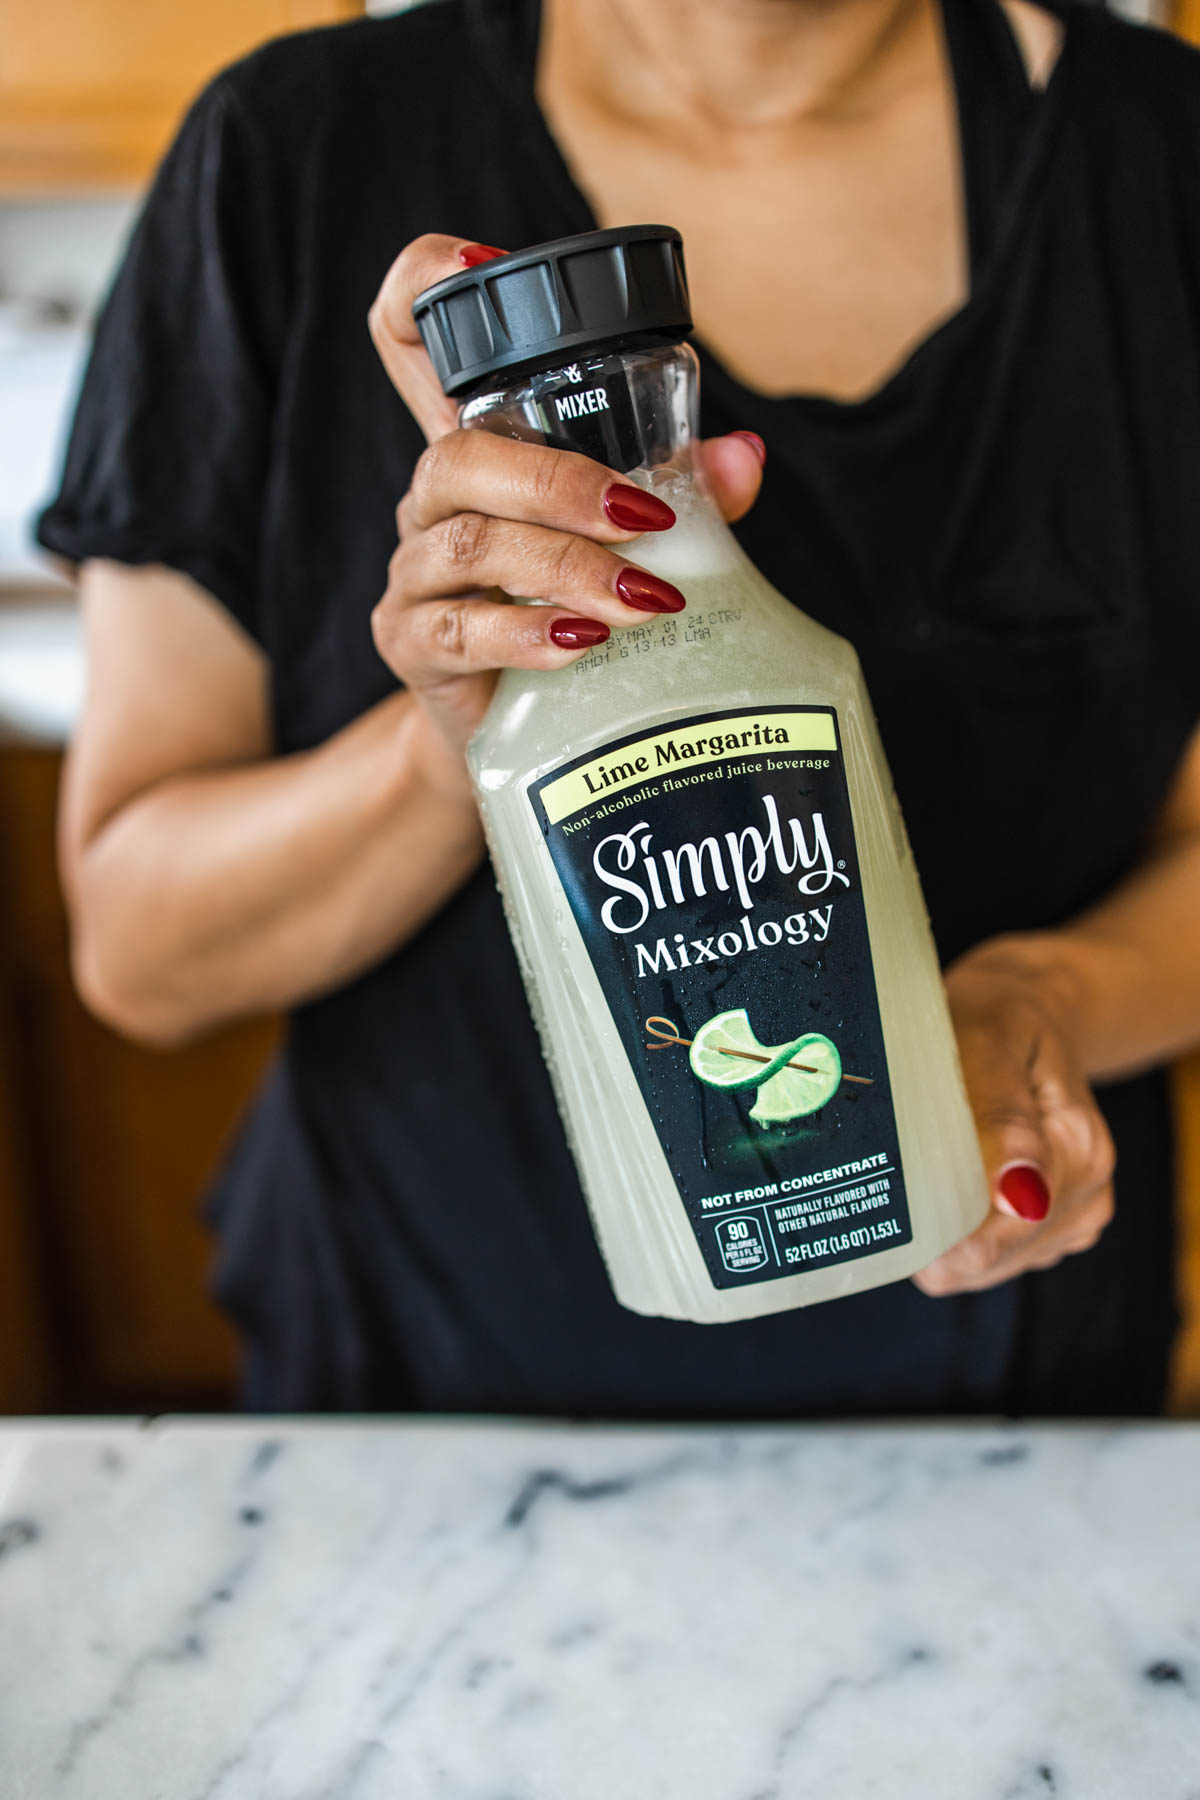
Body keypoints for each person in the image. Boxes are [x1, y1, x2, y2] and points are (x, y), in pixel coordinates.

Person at [37, 0, 1200, 1415]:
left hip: (1012, 1398)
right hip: (431, 1416)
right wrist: (461, 739)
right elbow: (144, 948)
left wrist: (1047, 999)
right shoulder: (289, 155)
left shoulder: (1162, 161)